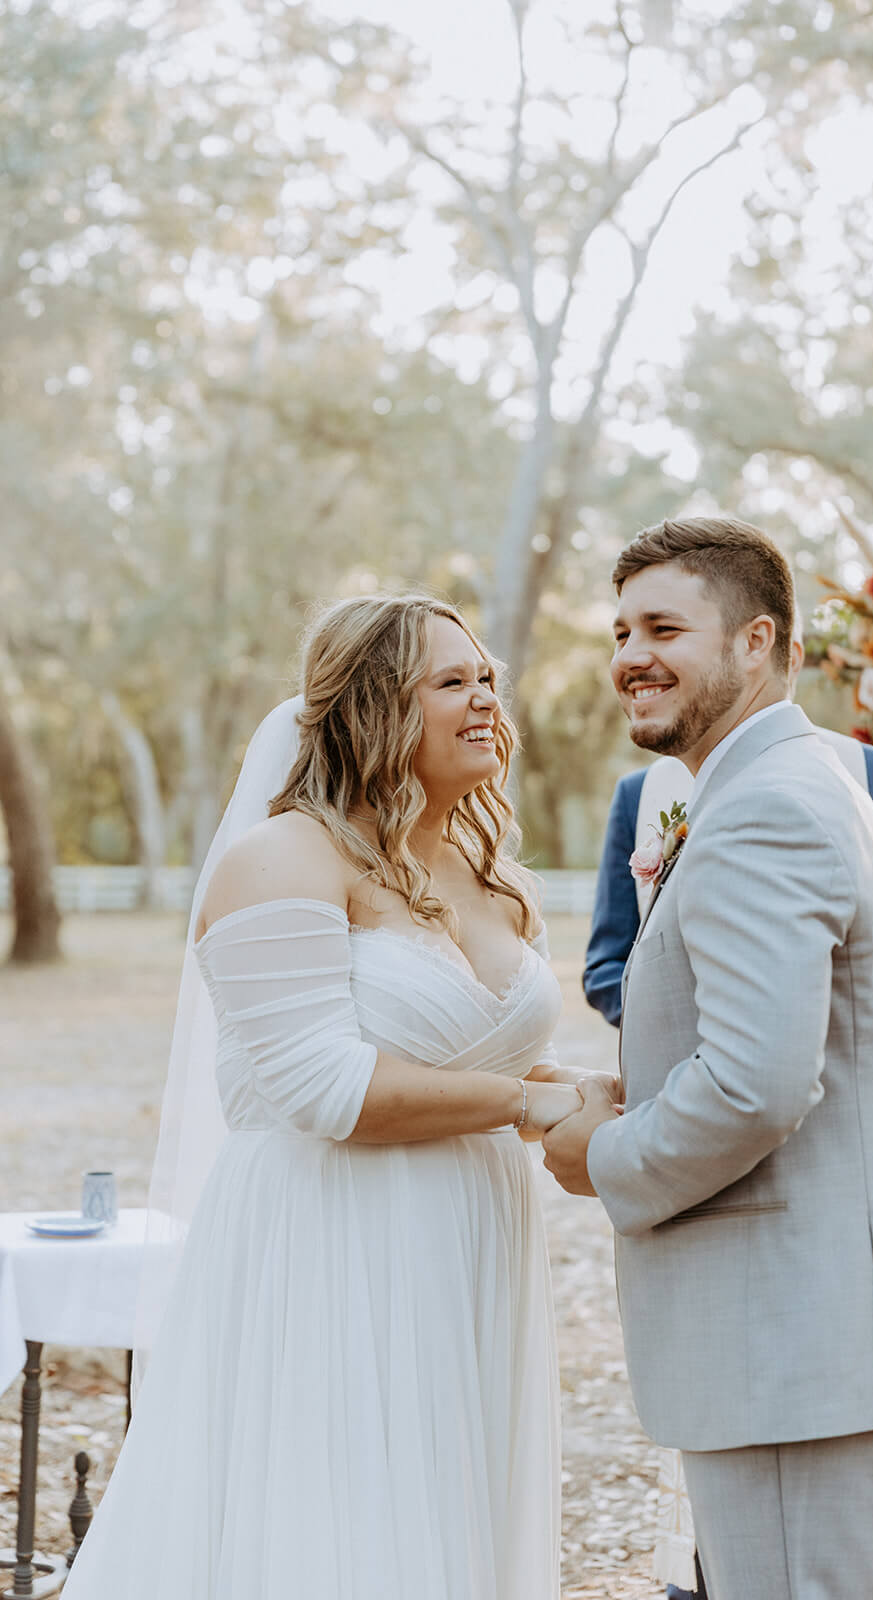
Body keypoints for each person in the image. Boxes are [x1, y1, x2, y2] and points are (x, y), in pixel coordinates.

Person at [63, 593, 588, 1600]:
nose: (486, 700)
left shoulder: (494, 875)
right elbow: (322, 1085)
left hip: (472, 1238)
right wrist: (526, 1108)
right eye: (452, 682)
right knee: (340, 1521)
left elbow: (498, 1064)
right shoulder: (280, 860)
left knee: (448, 1509)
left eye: (487, 678)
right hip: (334, 1239)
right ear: (370, 708)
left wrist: (591, 1094)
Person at [544, 516, 873, 1600]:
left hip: (790, 1338)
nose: (629, 655)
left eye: (663, 628)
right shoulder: (793, 783)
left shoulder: (764, 809)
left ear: (755, 640)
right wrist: (636, 1087)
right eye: (620, 631)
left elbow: (754, 1085)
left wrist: (601, 1153)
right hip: (816, 1335)